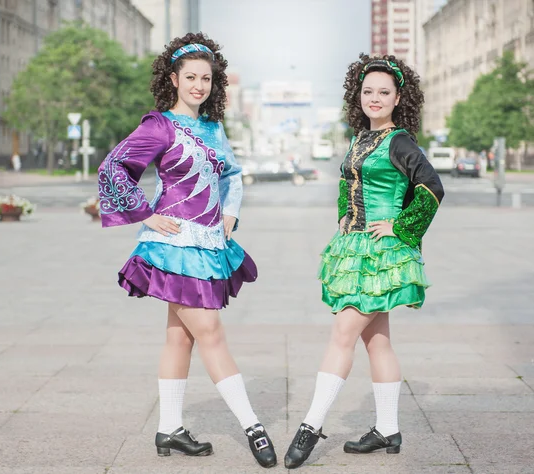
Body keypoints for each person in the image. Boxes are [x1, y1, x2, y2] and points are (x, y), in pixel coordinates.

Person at [97, 33, 277, 469]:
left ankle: (170, 429)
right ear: (173, 78)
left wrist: (231, 212)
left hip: (210, 242)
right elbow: (113, 166)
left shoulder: (214, 128)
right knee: (210, 332)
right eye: (191, 77)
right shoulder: (158, 125)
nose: (199, 85)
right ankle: (253, 427)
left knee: (179, 336)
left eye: (206, 78)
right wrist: (143, 213)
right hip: (173, 245)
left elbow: (232, 174)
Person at [283, 54, 444, 469]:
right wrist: (343, 211)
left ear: (397, 98)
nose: (374, 98)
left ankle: (311, 424)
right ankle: (388, 429)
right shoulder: (360, 138)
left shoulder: (400, 141)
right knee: (378, 340)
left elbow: (432, 187)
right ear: (359, 95)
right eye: (368, 91)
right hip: (356, 246)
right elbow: (346, 180)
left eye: (383, 92)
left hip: (381, 252)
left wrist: (401, 226)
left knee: (343, 333)